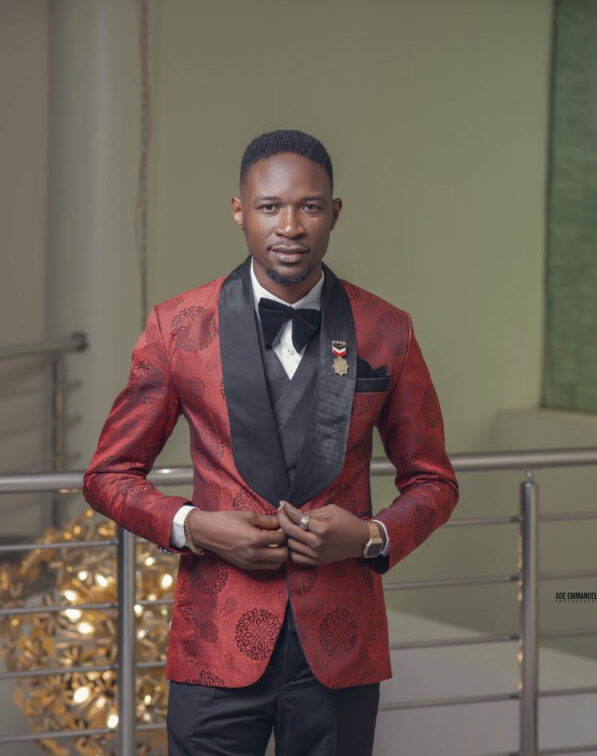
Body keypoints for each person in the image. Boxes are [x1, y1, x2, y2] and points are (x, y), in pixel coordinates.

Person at [82, 128, 459, 756]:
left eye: (309, 207)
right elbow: (107, 475)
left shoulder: (387, 329)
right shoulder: (178, 327)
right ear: (239, 212)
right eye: (269, 207)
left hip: (340, 641)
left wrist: (371, 536)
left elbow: (434, 482)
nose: (289, 226)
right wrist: (196, 526)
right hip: (215, 642)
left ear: (334, 213)